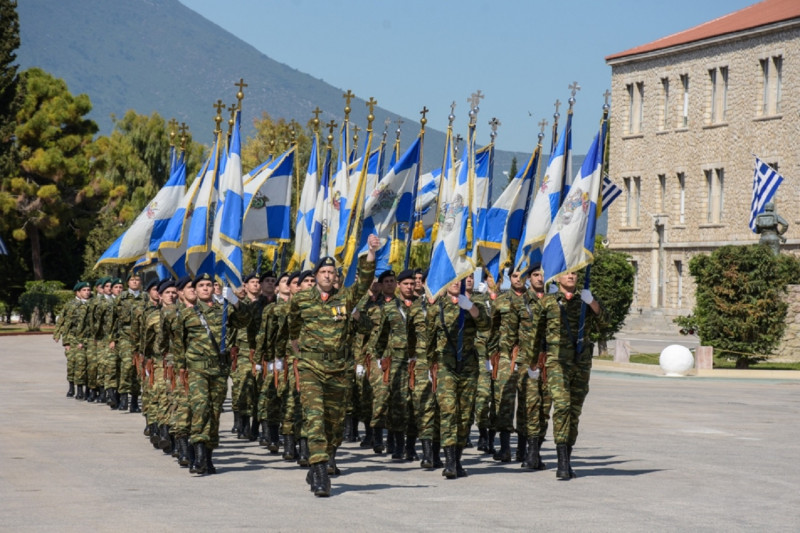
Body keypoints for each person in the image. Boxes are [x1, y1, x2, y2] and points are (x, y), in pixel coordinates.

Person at [289, 234, 380, 497]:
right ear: (316, 275)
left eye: (332, 272)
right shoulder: (301, 299)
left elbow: (363, 284)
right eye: (324, 271)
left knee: (335, 423)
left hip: (339, 370)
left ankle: (325, 456)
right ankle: (319, 473)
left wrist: (371, 254)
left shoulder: (346, 298)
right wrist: (298, 349)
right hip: (312, 368)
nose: (328, 276)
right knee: (315, 419)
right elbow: (293, 326)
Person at [173, 273, 249, 475]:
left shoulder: (223, 311)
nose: (206, 288)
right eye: (202, 286)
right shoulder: (187, 314)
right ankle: (197, 455)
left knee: (215, 412)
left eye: (209, 285)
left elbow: (244, 322)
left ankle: (207, 456)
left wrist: (236, 302)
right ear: (195, 291)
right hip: (197, 368)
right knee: (201, 408)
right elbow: (179, 344)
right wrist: (181, 368)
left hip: (219, 369)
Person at [429, 278, 491, 479]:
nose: (456, 283)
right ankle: (448, 462)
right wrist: (430, 367)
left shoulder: (475, 305)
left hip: (468, 366)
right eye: (452, 280)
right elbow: (428, 338)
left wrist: (470, 307)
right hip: (446, 366)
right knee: (448, 411)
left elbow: (486, 325)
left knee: (465, 415)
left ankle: (457, 459)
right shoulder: (437, 307)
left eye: (460, 280)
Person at [548, 271, 605, 479]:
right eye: (567, 273)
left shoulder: (585, 301)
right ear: (557, 277)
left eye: (574, 273)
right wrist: (532, 363)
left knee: (573, 412)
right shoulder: (548, 302)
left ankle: (567, 458)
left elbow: (605, 324)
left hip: (581, 363)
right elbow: (536, 333)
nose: (571, 276)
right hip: (557, 363)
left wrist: (593, 304)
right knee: (562, 407)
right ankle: (561, 462)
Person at [516, 264, 557, 470]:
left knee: (544, 409)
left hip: (550, 361)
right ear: (529, 278)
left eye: (543, 275)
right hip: (528, 361)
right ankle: (530, 453)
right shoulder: (521, 302)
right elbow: (508, 333)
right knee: (530, 406)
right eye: (535, 275)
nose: (540, 278)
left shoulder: (556, 303)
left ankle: (535, 451)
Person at [487, 268, 527, 463]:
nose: (518, 279)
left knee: (528, 404)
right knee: (504, 403)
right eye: (514, 276)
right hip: (505, 358)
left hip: (528, 357)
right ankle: (504, 448)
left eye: (521, 276)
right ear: (509, 279)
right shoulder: (500, 301)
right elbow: (492, 329)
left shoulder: (535, 301)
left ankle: (523, 449)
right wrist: (492, 357)